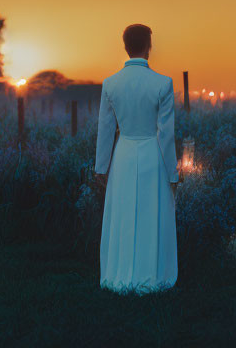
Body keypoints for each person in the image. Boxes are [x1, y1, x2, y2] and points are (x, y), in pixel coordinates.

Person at [95, 23, 179, 294]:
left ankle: (119, 274)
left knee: (123, 214)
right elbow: (166, 135)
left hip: (123, 155)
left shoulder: (110, 84)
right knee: (151, 213)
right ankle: (151, 274)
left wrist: (101, 168)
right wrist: (173, 173)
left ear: (125, 47)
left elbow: (105, 130)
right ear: (148, 46)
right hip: (152, 154)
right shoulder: (163, 83)